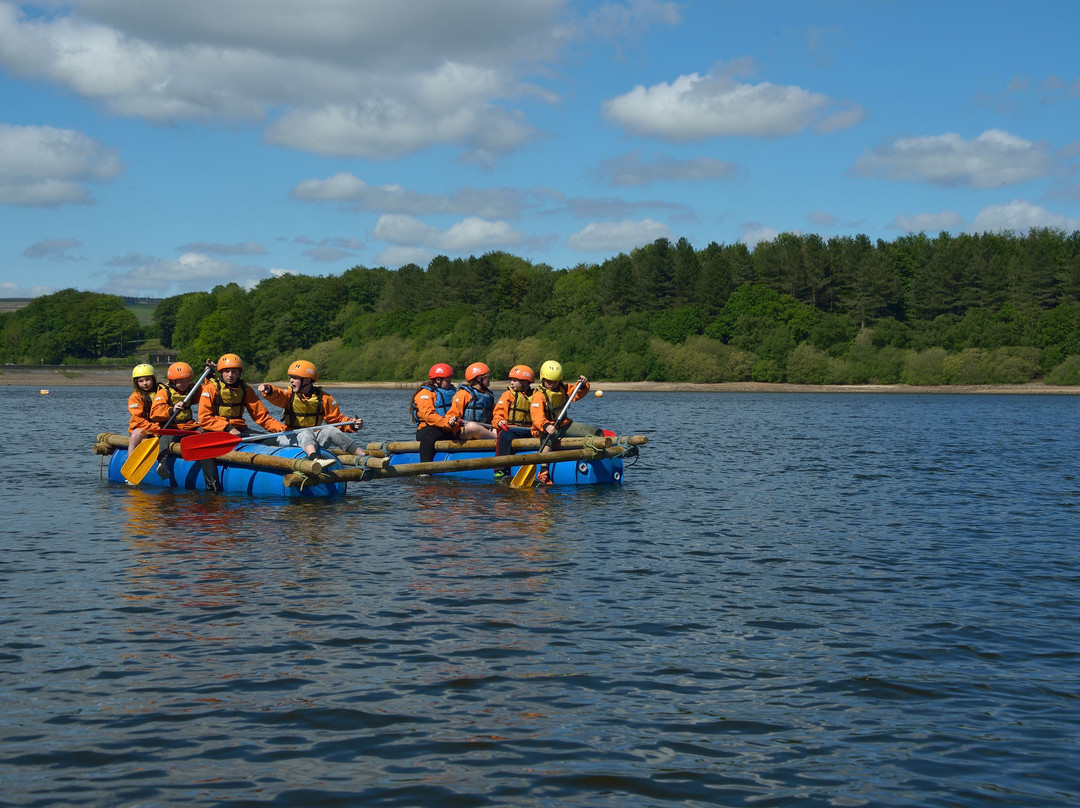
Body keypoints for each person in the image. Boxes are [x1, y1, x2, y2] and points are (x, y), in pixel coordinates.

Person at [258, 359, 367, 461]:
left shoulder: (324, 398)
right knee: (305, 431)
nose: (291, 380)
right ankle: (315, 458)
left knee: (330, 429)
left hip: (313, 439)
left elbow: (336, 420)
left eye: (295, 377)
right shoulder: (289, 395)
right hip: (290, 437)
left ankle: (363, 456)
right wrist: (268, 389)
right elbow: (278, 395)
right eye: (291, 377)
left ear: (307, 380)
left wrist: (352, 424)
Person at [530, 360, 602, 485]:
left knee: (595, 432)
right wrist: (546, 425)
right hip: (546, 428)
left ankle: (597, 457)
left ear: (559, 380)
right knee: (551, 436)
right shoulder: (539, 394)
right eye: (549, 381)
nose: (551, 384)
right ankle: (543, 471)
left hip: (564, 424)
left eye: (555, 381)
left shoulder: (564, 388)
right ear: (543, 379)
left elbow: (577, 394)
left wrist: (583, 384)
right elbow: (536, 416)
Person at [151, 361, 220, 489]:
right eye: (181, 381)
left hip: (189, 426)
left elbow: (210, 391)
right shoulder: (164, 392)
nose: (185, 384)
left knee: (208, 431)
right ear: (172, 381)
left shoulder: (193, 389)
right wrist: (172, 409)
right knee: (165, 439)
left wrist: (209, 375)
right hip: (171, 428)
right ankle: (162, 463)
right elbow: (155, 412)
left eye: (187, 380)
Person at [198, 353, 286, 437]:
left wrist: (283, 430)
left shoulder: (245, 390)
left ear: (239, 373)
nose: (230, 375)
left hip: (239, 429)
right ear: (221, 372)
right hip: (215, 430)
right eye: (227, 371)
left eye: (234, 371)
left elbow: (261, 416)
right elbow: (204, 418)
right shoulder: (211, 388)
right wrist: (228, 428)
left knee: (270, 438)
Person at [491, 364, 536, 481]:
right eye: (512, 380)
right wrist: (499, 422)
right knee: (504, 435)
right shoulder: (508, 395)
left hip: (531, 430)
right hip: (512, 430)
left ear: (525, 382)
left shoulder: (537, 395)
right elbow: (498, 414)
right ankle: (500, 470)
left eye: (515, 380)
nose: (511, 383)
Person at [411, 362, 460, 463]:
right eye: (448, 381)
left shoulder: (453, 391)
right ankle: (425, 467)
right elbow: (429, 416)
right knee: (431, 433)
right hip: (428, 429)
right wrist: (447, 423)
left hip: (449, 428)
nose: (450, 383)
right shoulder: (425, 394)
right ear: (438, 380)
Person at [447, 362, 498, 441]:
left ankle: (495, 437)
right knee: (472, 427)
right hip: (464, 431)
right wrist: (451, 421)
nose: (489, 379)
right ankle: (499, 440)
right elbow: (452, 414)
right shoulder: (463, 393)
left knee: (498, 428)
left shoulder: (488, 395)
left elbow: (495, 414)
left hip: (485, 429)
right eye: (487, 376)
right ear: (478, 378)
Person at [127, 363, 165, 455]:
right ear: (136, 382)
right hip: (145, 428)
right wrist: (153, 428)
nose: (145, 383)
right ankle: (130, 459)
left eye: (148, 379)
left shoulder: (163, 392)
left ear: (153, 379)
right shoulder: (135, 397)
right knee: (135, 434)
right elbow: (138, 419)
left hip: (161, 427)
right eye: (141, 381)